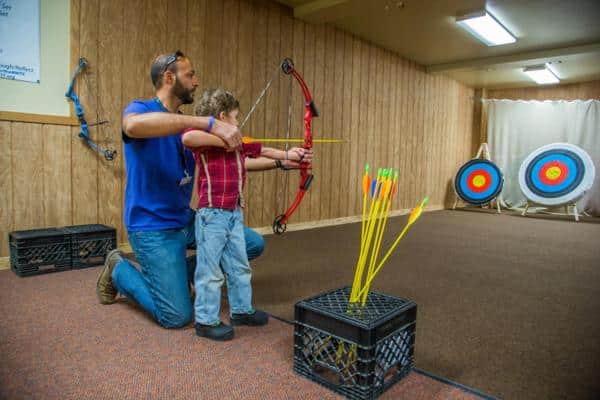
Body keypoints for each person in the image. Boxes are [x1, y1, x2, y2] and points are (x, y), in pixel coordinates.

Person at [96, 51, 258, 329]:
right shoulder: (142, 109)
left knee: (252, 244)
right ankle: (119, 269)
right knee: (176, 316)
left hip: (185, 220)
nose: (196, 81)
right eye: (190, 74)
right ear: (169, 78)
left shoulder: (187, 126)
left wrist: (284, 161)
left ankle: (175, 275)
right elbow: (132, 126)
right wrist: (207, 122)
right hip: (152, 228)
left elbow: (233, 160)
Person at [182, 88, 310, 340]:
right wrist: (226, 139)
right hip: (212, 214)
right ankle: (206, 321)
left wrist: (289, 154)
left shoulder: (239, 143)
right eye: (235, 117)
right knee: (209, 271)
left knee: (239, 265)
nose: (238, 122)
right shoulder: (203, 140)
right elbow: (187, 138)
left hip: (233, 212)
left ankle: (241, 310)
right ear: (222, 116)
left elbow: (262, 151)